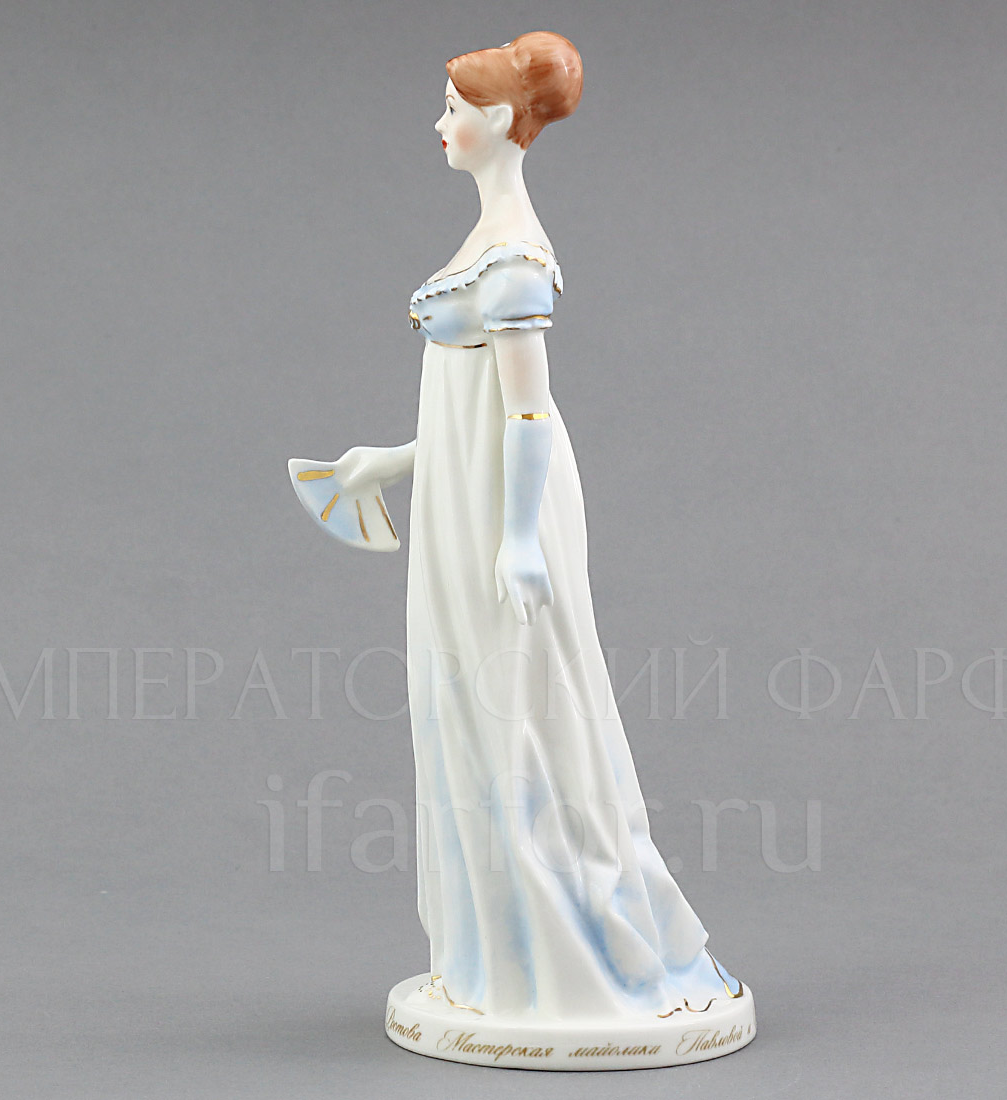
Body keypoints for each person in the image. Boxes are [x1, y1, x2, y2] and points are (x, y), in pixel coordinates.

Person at [328, 32, 744, 1023]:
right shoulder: (487, 236)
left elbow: (525, 415)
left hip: (505, 512)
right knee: (467, 709)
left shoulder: (515, 255)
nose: (438, 125)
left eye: (452, 109)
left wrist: (519, 538)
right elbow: (470, 413)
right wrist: (392, 461)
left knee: (519, 712)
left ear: (499, 120)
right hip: (466, 500)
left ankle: (569, 958)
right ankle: (490, 957)